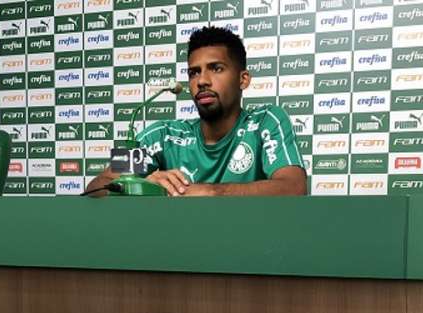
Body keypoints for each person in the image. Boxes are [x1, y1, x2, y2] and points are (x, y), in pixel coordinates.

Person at [85, 26, 306, 196]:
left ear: (243, 79)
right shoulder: (162, 134)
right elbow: (95, 187)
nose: (202, 81)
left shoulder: (267, 120)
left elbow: (294, 187)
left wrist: (212, 192)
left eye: (216, 68)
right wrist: (137, 184)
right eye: (194, 72)